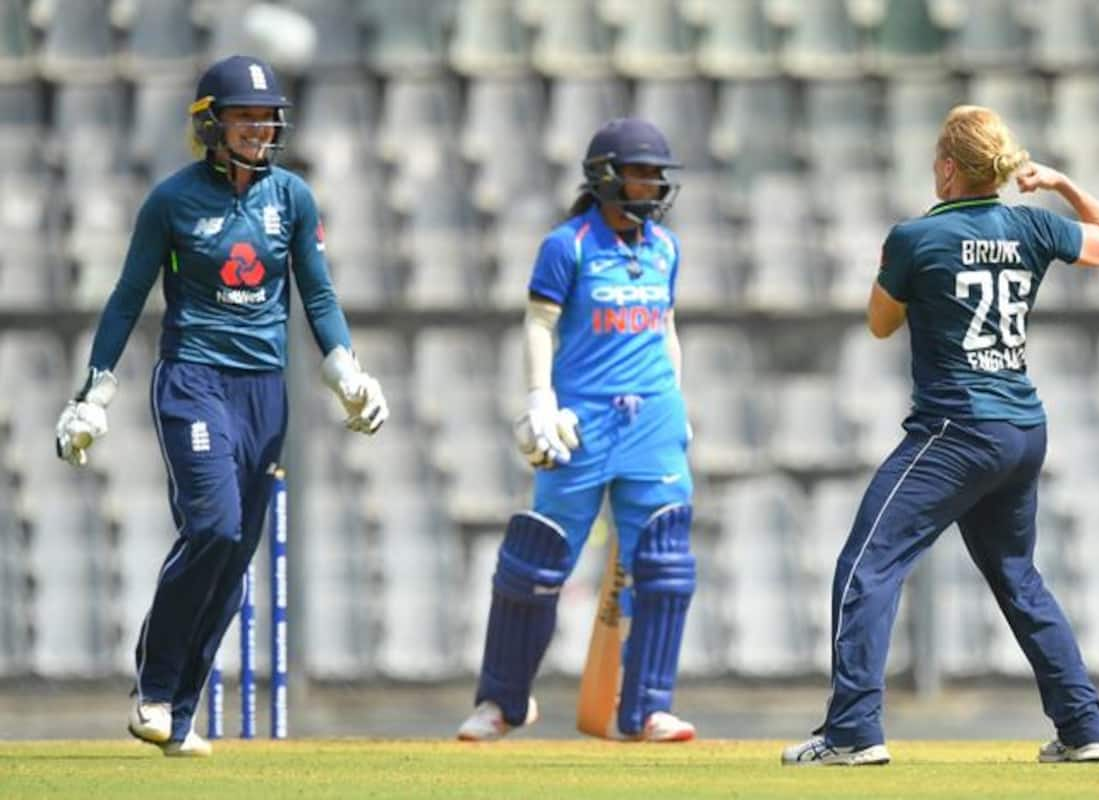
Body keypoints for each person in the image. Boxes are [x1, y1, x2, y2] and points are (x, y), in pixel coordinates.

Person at [781, 105, 1099, 767]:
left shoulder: (916, 237)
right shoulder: (1032, 224)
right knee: (1018, 578)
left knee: (867, 565)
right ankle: (1084, 727)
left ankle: (853, 732)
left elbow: (880, 324)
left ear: (947, 167)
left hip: (956, 428)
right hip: (1023, 430)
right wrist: (1061, 183)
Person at [54, 55, 389, 757]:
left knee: (233, 561)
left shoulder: (292, 197)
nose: (261, 128)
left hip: (266, 391)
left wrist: (347, 371)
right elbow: (127, 297)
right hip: (193, 380)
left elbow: (317, 294)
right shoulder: (172, 202)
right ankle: (152, 687)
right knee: (213, 523)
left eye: (268, 117)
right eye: (245, 117)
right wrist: (95, 392)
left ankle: (175, 713)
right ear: (211, 124)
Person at [456, 118, 697, 743]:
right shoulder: (569, 244)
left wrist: (678, 402)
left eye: (655, 175)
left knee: (665, 562)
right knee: (536, 563)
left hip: (653, 418)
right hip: (581, 421)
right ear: (606, 177)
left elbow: (665, 328)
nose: (650, 186)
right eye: (639, 173)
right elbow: (539, 323)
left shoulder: (665, 249)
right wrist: (540, 400)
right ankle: (502, 703)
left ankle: (646, 710)